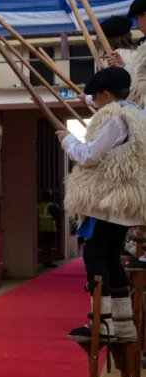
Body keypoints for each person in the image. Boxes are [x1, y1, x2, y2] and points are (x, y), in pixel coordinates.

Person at [59, 67, 146, 346]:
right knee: (110, 257)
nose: (93, 102)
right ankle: (122, 325)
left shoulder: (114, 119)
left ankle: (103, 322)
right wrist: (84, 97)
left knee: (95, 255)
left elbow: (90, 156)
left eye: (96, 97)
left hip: (111, 199)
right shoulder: (136, 113)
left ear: (106, 94)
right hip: (127, 201)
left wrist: (66, 140)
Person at [37, 188, 60, 268]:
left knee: (44, 247)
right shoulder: (51, 206)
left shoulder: (38, 206)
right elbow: (57, 216)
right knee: (49, 247)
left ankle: (45, 261)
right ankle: (48, 262)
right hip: (50, 229)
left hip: (41, 229)